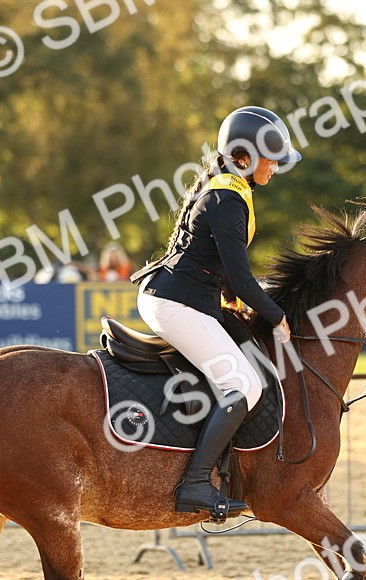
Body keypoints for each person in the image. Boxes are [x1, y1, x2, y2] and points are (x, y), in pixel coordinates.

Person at [130, 106, 300, 517]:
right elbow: (242, 281)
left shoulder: (231, 192)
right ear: (246, 156)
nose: (276, 167)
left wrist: (238, 305)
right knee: (244, 386)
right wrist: (277, 316)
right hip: (174, 304)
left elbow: (227, 275)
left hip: (187, 298)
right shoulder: (227, 199)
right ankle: (194, 486)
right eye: (272, 159)